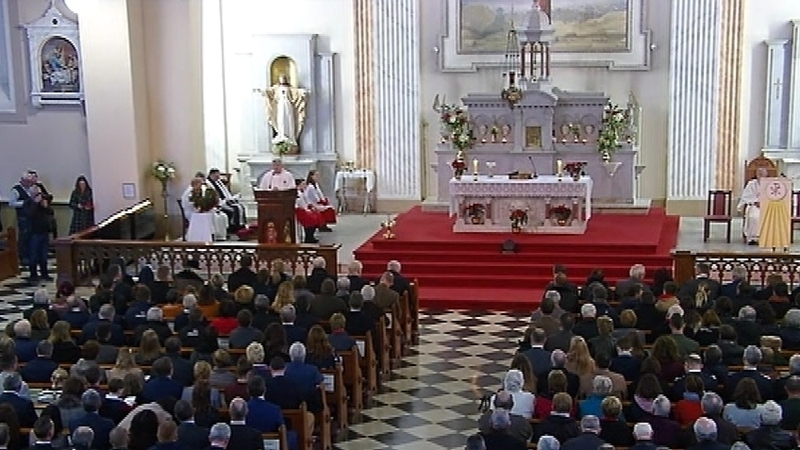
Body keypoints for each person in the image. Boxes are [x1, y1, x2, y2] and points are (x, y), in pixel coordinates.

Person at [258, 74, 309, 146]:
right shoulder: (276, 88)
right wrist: (262, 91)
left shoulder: (290, 88)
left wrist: (302, 92)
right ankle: (281, 135)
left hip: (288, 106)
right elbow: (269, 92)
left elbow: (297, 92)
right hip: (280, 106)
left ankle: (290, 137)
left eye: (284, 78)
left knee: (288, 120)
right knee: (281, 120)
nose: (283, 80)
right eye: (281, 78)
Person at [181, 176, 227, 240]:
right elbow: (189, 204)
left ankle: (214, 234)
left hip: (200, 211)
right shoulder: (189, 192)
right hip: (191, 213)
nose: (202, 185)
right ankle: (206, 235)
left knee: (219, 215)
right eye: (201, 183)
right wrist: (199, 208)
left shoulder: (200, 190)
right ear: (195, 184)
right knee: (211, 216)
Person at [25, 186, 53, 282]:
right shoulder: (28, 203)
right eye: (37, 193)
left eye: (39, 193)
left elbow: (50, 212)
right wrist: (35, 203)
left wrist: (46, 206)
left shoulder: (42, 203)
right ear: (31, 194)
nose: (39, 195)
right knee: (33, 255)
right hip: (33, 233)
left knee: (43, 255)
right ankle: (33, 275)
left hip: (44, 231)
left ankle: (44, 274)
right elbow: (29, 214)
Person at [738, 167, 768, 245]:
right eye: (759, 173)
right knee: (754, 217)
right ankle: (753, 239)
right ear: (756, 174)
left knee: (771, 216)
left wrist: (764, 202)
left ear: (766, 174)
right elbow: (746, 196)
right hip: (754, 205)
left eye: (763, 173)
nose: (761, 175)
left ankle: (767, 237)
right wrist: (756, 202)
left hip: (767, 206)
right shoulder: (751, 184)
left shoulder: (770, 184)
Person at [9, 173, 34, 266]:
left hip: (31, 217)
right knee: (24, 236)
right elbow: (11, 203)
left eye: (30, 182)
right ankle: (23, 256)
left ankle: (30, 255)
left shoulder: (30, 189)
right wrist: (24, 203)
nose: (29, 184)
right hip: (23, 217)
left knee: (31, 237)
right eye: (27, 182)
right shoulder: (16, 190)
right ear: (22, 180)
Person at [294, 180, 323, 244]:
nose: (305, 186)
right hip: (301, 211)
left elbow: (306, 202)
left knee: (317, 215)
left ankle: (311, 236)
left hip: (305, 209)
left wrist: (310, 207)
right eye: (303, 184)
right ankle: (308, 236)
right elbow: (299, 204)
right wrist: (307, 210)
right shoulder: (297, 193)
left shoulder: (303, 192)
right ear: (299, 185)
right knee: (312, 218)